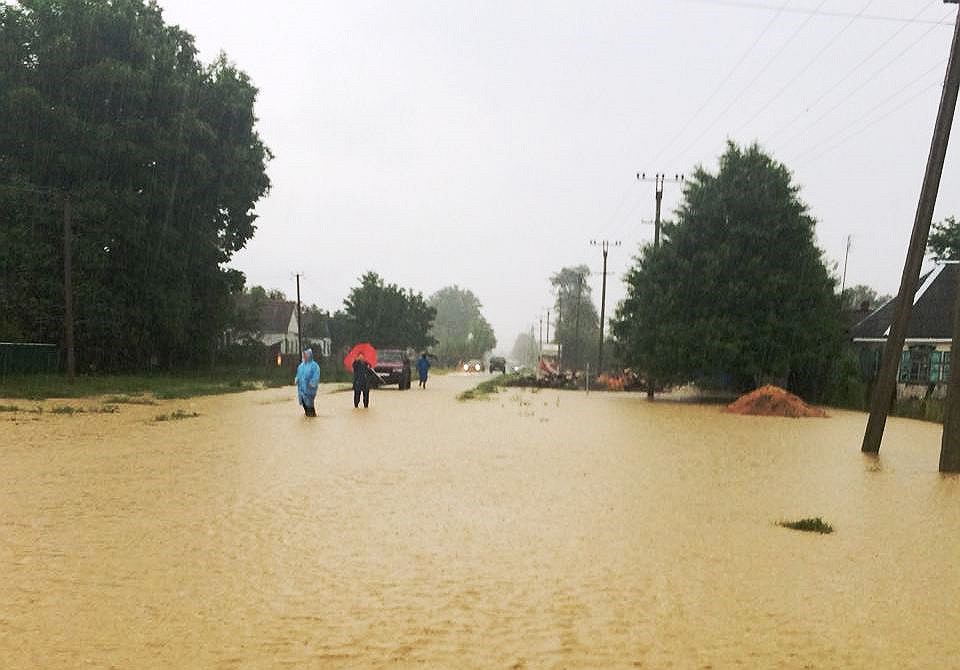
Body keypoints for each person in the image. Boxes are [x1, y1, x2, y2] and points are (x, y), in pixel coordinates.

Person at [295, 348, 320, 417]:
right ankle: (308, 417)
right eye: (304, 355)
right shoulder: (301, 366)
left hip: (310, 390)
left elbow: (316, 376)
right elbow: (298, 374)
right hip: (301, 390)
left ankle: (312, 417)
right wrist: (297, 379)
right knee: (304, 404)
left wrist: (312, 383)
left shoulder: (314, 366)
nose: (305, 356)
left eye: (306, 355)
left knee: (310, 405)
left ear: (310, 355)